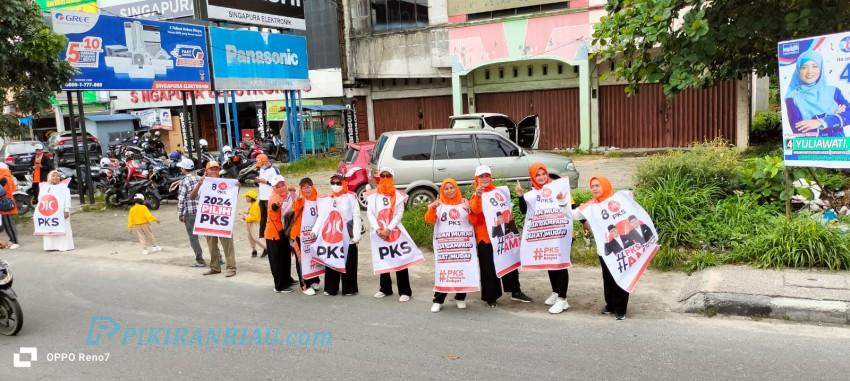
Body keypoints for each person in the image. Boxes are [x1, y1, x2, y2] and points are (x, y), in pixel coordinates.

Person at [469, 165, 533, 308]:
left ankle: (515, 291)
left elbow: (507, 209)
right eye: (481, 176)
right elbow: (475, 209)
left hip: (503, 235)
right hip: (486, 237)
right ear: (476, 179)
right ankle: (491, 297)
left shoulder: (500, 192)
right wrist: (478, 195)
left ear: (490, 177)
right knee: (489, 268)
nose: (484, 178)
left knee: (509, 261)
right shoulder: (476, 195)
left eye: (486, 176)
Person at [515, 163, 572, 314]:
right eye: (537, 175)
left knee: (559, 264)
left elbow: (569, 206)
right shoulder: (533, 194)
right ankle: (556, 292)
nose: (541, 177)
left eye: (543, 174)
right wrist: (521, 196)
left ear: (547, 174)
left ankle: (563, 299)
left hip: (559, 233)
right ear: (533, 177)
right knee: (550, 262)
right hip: (545, 235)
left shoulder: (557, 187)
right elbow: (524, 211)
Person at [577, 176, 630, 320]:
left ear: (605, 186)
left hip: (622, 247)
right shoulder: (591, 205)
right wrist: (565, 202)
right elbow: (575, 216)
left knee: (620, 276)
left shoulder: (617, 201)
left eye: (597, 185)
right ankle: (610, 305)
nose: (594, 188)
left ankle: (621, 309)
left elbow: (630, 208)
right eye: (592, 186)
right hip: (605, 249)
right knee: (607, 277)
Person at [425, 178, 470, 313]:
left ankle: (460, 297)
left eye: (452, 188)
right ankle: (438, 300)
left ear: (456, 188)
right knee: (444, 272)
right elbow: (429, 220)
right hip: (445, 246)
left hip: (462, 244)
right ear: (442, 190)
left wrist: (470, 209)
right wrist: (432, 208)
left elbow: (473, 221)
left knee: (463, 269)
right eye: (446, 188)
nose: (449, 190)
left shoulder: (464, 203)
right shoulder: (439, 204)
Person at [368, 167, 412, 302]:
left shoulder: (398, 196)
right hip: (379, 233)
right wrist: (377, 229)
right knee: (383, 258)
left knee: (400, 259)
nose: (385, 178)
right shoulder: (372, 195)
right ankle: (385, 288)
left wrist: (389, 228)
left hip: (395, 232)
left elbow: (399, 213)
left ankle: (405, 291)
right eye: (383, 176)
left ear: (392, 178)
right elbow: (370, 213)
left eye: (388, 176)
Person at [315, 174, 362, 296]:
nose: (336, 186)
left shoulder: (351, 197)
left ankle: (349, 288)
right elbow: (322, 217)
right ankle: (331, 288)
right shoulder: (327, 199)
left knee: (349, 261)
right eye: (333, 183)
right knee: (331, 261)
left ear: (344, 183)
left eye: (338, 183)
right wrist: (315, 230)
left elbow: (356, 216)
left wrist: (356, 235)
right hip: (332, 235)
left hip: (348, 234)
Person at [785, 50, 850, 136]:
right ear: (798, 70)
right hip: (814, 148)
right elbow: (799, 131)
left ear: (821, 68)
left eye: (815, 66)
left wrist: (820, 122)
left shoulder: (834, 91)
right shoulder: (792, 98)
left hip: (840, 145)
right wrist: (834, 115)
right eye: (804, 67)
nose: (809, 71)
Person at [191, 161, 237, 277]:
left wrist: (237, 188)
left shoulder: (226, 182)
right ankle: (215, 267)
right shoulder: (203, 183)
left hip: (222, 220)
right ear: (206, 171)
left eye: (216, 169)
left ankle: (231, 267)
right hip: (209, 220)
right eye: (211, 169)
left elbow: (232, 198)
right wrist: (199, 184)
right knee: (212, 246)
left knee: (228, 245)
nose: (214, 171)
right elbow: (192, 197)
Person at [264, 175, 297, 293]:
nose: (281, 188)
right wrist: (277, 205)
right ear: (274, 188)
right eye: (278, 186)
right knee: (277, 261)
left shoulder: (287, 193)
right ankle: (279, 286)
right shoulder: (275, 198)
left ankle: (287, 279)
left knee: (286, 257)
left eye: (282, 184)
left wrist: (292, 190)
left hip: (283, 232)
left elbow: (292, 193)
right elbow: (274, 206)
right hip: (273, 234)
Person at [290, 178, 321, 295]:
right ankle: (305, 284)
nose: (306, 189)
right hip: (299, 235)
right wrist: (298, 199)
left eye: (308, 186)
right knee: (302, 260)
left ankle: (314, 280)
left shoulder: (316, 197)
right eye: (303, 187)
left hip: (312, 234)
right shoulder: (300, 199)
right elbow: (295, 207)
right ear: (300, 188)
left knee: (313, 257)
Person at [176, 158, 205, 268]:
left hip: (191, 212)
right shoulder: (200, 178)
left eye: (181, 167)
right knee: (208, 236)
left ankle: (200, 260)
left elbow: (181, 199)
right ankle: (218, 257)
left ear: (184, 169)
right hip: (202, 211)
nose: (180, 169)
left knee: (193, 237)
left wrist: (180, 214)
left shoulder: (184, 181)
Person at [255, 154, 279, 258]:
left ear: (266, 161)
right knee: (263, 221)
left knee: (272, 221)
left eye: (261, 164)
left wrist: (266, 181)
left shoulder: (273, 170)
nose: (260, 166)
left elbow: (278, 183)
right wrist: (259, 181)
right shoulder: (261, 169)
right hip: (262, 198)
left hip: (270, 199)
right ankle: (266, 246)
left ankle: (274, 245)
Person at [43, 170, 74, 252]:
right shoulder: (46, 188)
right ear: (49, 177)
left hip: (62, 212)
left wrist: (66, 210)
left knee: (63, 228)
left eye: (57, 176)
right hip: (50, 212)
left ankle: (64, 246)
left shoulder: (64, 187)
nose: (56, 177)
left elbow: (67, 199)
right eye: (53, 176)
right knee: (51, 228)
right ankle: (51, 246)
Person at [241, 190, 266, 258]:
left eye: (247, 197)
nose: (246, 198)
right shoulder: (252, 205)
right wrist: (246, 214)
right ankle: (254, 250)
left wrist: (246, 217)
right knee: (250, 237)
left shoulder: (255, 205)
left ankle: (266, 249)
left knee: (255, 237)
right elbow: (251, 214)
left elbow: (255, 217)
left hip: (254, 224)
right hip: (249, 223)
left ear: (251, 198)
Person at [0, 164, 20, 249]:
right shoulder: (8, 177)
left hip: (5, 203)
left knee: (9, 224)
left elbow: (2, 191)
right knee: (7, 223)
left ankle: (15, 241)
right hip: (6, 202)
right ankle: (12, 240)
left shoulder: (4, 178)